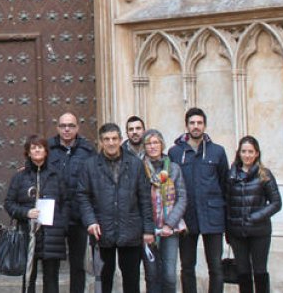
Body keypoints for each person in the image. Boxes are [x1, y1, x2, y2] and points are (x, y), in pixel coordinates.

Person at [76, 124, 154, 293]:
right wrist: (90, 221)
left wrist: (148, 229)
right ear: (100, 142)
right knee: (104, 282)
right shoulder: (89, 166)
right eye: (106, 139)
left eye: (114, 139)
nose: (111, 143)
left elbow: (145, 199)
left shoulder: (135, 164)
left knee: (131, 281)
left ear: (120, 140)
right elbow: (82, 196)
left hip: (131, 230)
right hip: (102, 231)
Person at [168, 108, 227, 293]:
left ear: (205, 125)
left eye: (199, 123)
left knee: (216, 267)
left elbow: (225, 184)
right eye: (192, 123)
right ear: (186, 125)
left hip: (213, 216)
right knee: (187, 267)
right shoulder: (175, 153)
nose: (196, 126)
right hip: (187, 216)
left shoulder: (217, 151)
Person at [4, 136, 67, 293]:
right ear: (28, 152)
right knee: (28, 277)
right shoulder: (20, 177)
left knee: (51, 279)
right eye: (33, 148)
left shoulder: (56, 175)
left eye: (40, 147)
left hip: (52, 235)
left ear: (46, 151)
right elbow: (9, 203)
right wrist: (26, 213)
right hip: (28, 233)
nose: (37, 150)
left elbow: (66, 203)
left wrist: (62, 226)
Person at [224, 137, 281, 293]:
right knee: (243, 272)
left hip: (259, 232)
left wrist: (256, 217)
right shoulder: (231, 176)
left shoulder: (265, 175)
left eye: (250, 152)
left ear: (256, 154)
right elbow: (227, 204)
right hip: (237, 233)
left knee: (260, 271)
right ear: (239, 153)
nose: (247, 155)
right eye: (244, 151)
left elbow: (276, 203)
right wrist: (228, 231)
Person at [48, 113, 93, 293]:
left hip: (78, 216)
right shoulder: (48, 149)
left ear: (77, 128)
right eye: (63, 125)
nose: (67, 129)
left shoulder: (88, 150)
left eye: (71, 125)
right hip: (54, 217)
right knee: (51, 265)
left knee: (78, 264)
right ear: (58, 128)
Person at [141, 130, 187, 293]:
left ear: (162, 145)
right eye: (148, 143)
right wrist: (146, 228)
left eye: (156, 142)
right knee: (152, 275)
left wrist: (169, 223)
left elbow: (182, 198)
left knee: (169, 275)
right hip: (148, 229)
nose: (152, 147)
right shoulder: (139, 169)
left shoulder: (174, 169)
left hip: (170, 229)